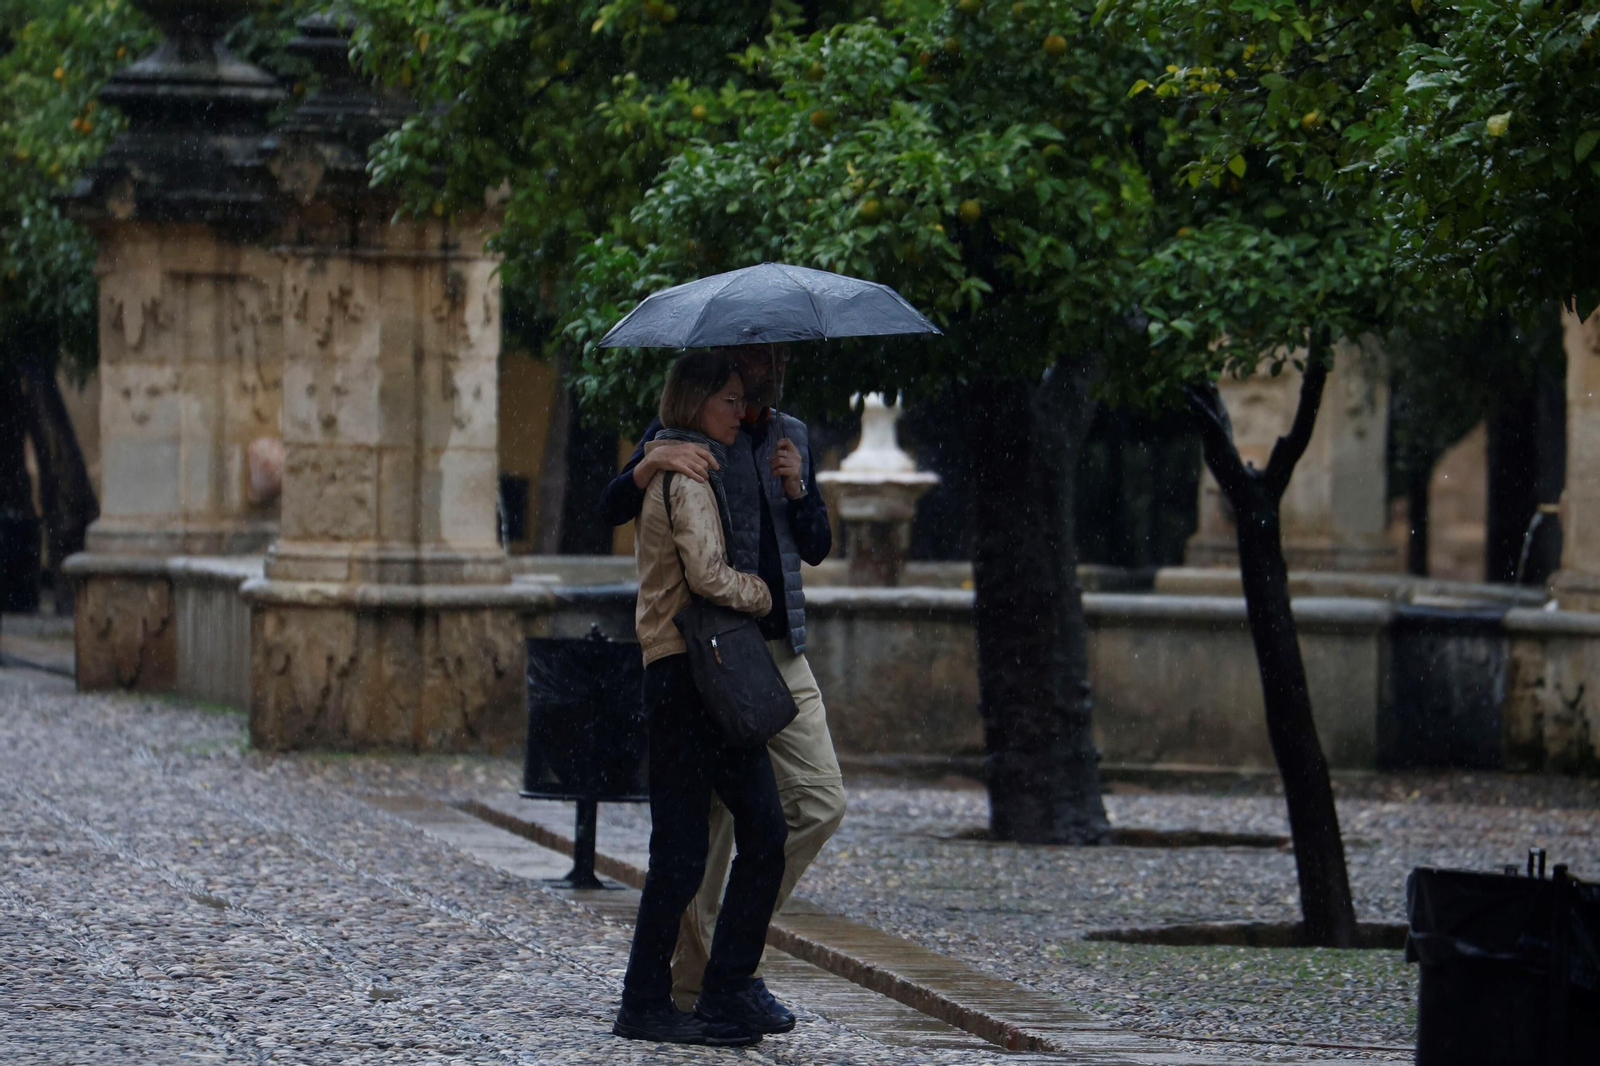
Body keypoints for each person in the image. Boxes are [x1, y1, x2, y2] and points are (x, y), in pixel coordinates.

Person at [599, 344, 847, 1011]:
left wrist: (798, 490)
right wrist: (650, 460)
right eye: (756, 356)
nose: (770, 366)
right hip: (712, 649)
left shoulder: (789, 434)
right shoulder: (683, 437)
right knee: (704, 830)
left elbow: (818, 546)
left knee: (817, 804)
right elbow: (614, 506)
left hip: (778, 648)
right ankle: (705, 977)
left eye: (776, 355)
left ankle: (731, 957)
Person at [613, 352, 794, 1048]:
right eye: (727, 398)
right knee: (700, 845)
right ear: (694, 403)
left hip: (694, 673)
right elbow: (709, 575)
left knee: (740, 834)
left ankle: (710, 991)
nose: (738, 410)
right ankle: (664, 998)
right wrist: (763, 594)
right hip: (689, 673)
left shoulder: (693, 464)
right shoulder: (684, 473)